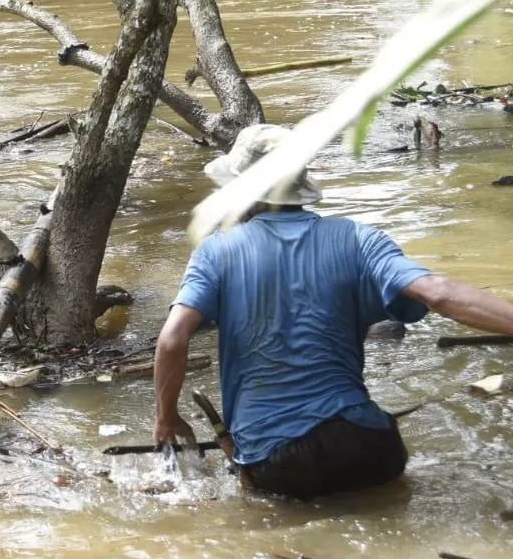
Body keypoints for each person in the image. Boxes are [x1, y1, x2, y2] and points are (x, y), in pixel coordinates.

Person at [153, 123, 513, 501]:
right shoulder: (359, 239)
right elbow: (438, 293)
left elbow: (173, 339)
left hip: (277, 460)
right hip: (371, 449)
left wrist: (166, 416)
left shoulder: (215, 251)